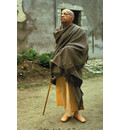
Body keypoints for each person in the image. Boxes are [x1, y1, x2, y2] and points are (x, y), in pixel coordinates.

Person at [50, 9, 88, 122]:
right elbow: (59, 47)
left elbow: (83, 47)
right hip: (61, 64)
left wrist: (67, 51)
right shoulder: (58, 30)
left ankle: (77, 113)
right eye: (61, 14)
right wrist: (59, 56)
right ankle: (67, 112)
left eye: (65, 14)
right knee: (64, 89)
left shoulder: (79, 31)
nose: (62, 15)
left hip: (73, 64)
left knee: (74, 88)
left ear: (72, 17)